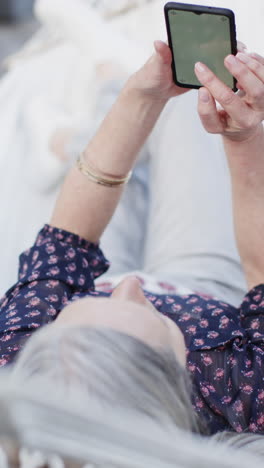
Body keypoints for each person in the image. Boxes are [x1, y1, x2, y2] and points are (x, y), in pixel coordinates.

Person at [1, 36, 264, 441]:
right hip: (205, 288)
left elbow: (68, 239)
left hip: (108, 274)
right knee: (192, 106)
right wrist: (242, 137)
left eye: (81, 304)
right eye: (153, 317)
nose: (131, 285)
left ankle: (71, 134)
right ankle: (71, 131)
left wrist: (139, 95)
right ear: (183, 386)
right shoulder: (241, 390)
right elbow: (259, 275)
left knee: (132, 135)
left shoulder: (23, 363)